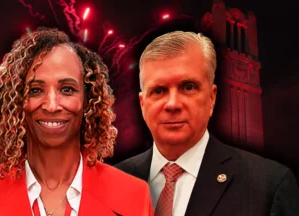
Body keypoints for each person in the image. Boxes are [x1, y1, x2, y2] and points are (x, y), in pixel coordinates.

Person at [0, 27, 153, 216]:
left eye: (67, 89)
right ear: (17, 101)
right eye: (35, 90)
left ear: (88, 99)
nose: (52, 105)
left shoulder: (134, 197)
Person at [115, 30, 299, 216]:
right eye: (158, 91)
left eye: (188, 87)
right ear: (142, 103)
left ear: (212, 98)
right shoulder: (112, 182)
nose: (172, 104)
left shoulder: (269, 186)